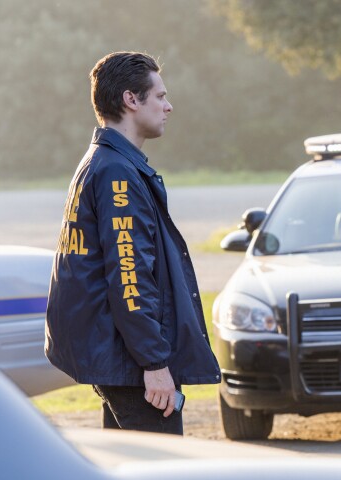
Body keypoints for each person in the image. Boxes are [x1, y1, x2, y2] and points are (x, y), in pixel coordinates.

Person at [45, 52, 220, 435]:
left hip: (119, 359)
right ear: (131, 99)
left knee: (129, 474)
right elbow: (130, 278)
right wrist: (155, 365)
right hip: (131, 365)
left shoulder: (102, 162)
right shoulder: (116, 173)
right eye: (160, 96)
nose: (168, 106)